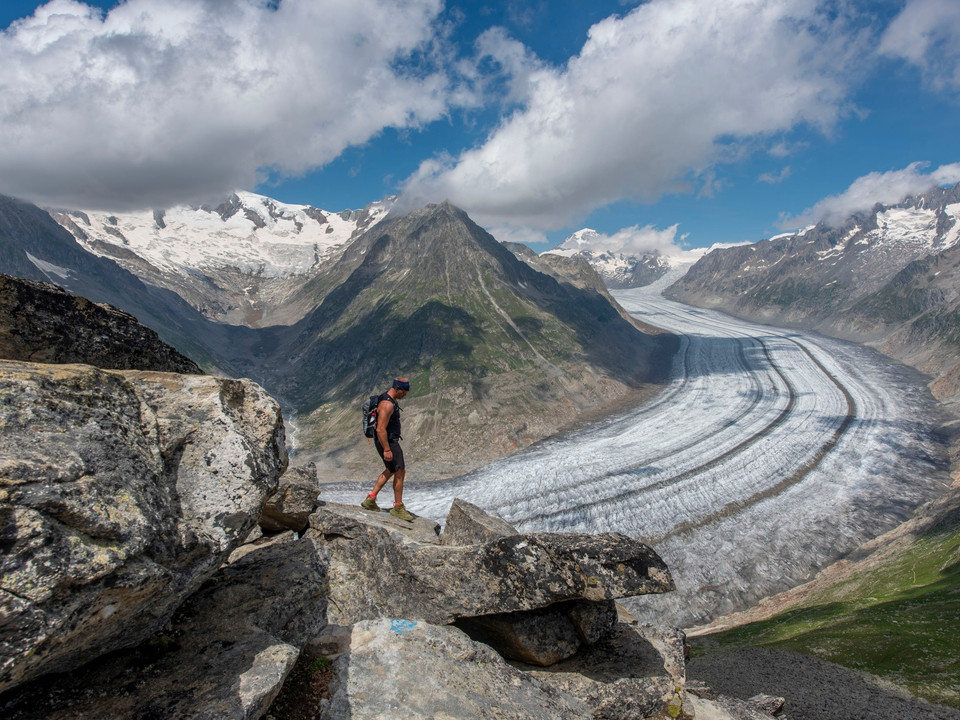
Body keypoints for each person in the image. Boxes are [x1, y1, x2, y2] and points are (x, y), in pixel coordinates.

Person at [361, 377, 414, 521]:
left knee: (391, 469)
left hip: (387, 441)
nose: (404, 395)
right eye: (404, 392)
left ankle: (370, 499)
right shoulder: (387, 404)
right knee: (400, 470)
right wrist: (387, 449)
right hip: (388, 442)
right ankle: (398, 507)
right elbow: (380, 429)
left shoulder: (387, 399)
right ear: (397, 389)